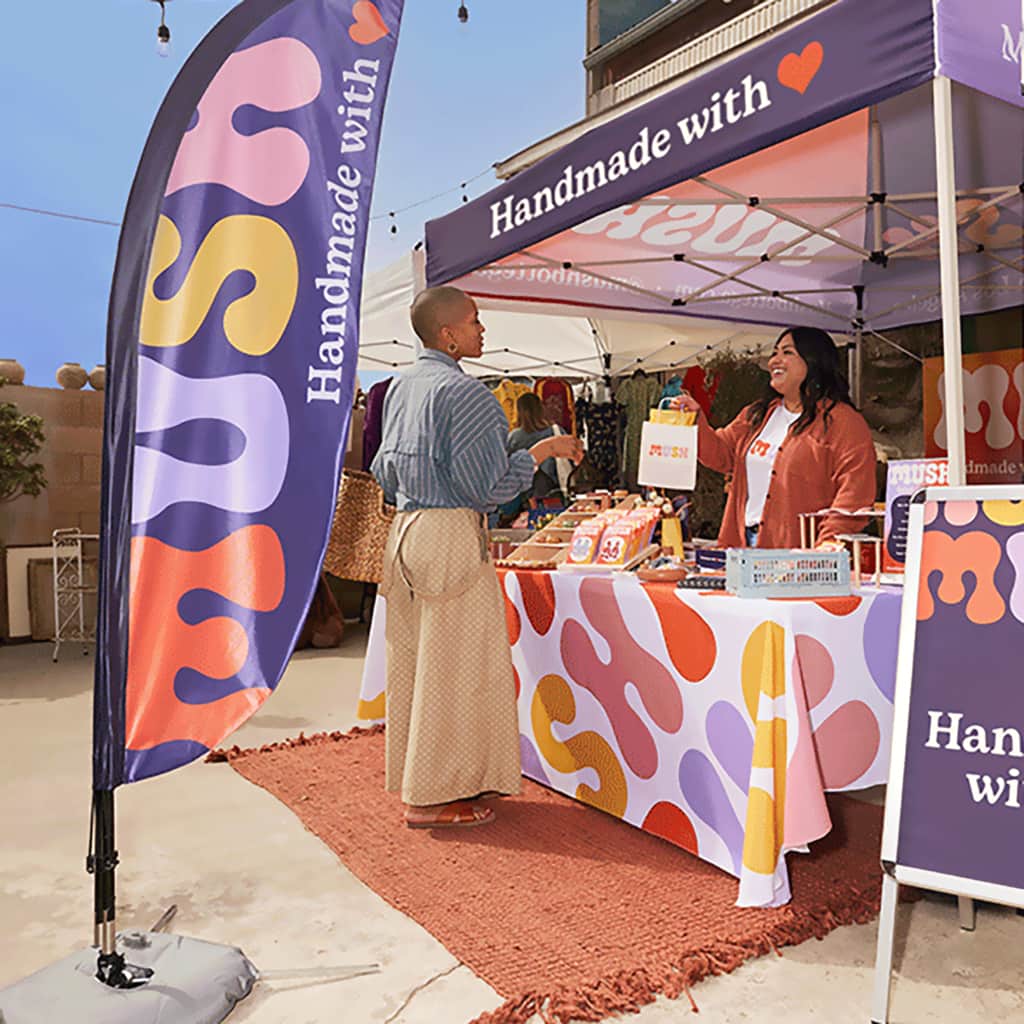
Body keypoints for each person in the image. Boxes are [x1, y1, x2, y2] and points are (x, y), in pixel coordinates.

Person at [370, 286, 583, 829]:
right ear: (448, 335)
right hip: (448, 534)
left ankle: (429, 780)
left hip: (407, 532)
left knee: (420, 665)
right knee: (456, 668)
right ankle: (434, 795)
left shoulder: (401, 387)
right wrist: (537, 454)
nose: (481, 329)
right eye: (473, 321)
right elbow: (488, 487)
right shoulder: (465, 396)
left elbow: (381, 469)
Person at [672, 327, 876, 549]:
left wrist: (827, 543)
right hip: (743, 545)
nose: (774, 362)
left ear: (814, 361)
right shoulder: (757, 415)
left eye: (787, 353)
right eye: (774, 353)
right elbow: (721, 454)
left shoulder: (843, 422)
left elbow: (855, 493)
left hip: (802, 556)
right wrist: (696, 420)